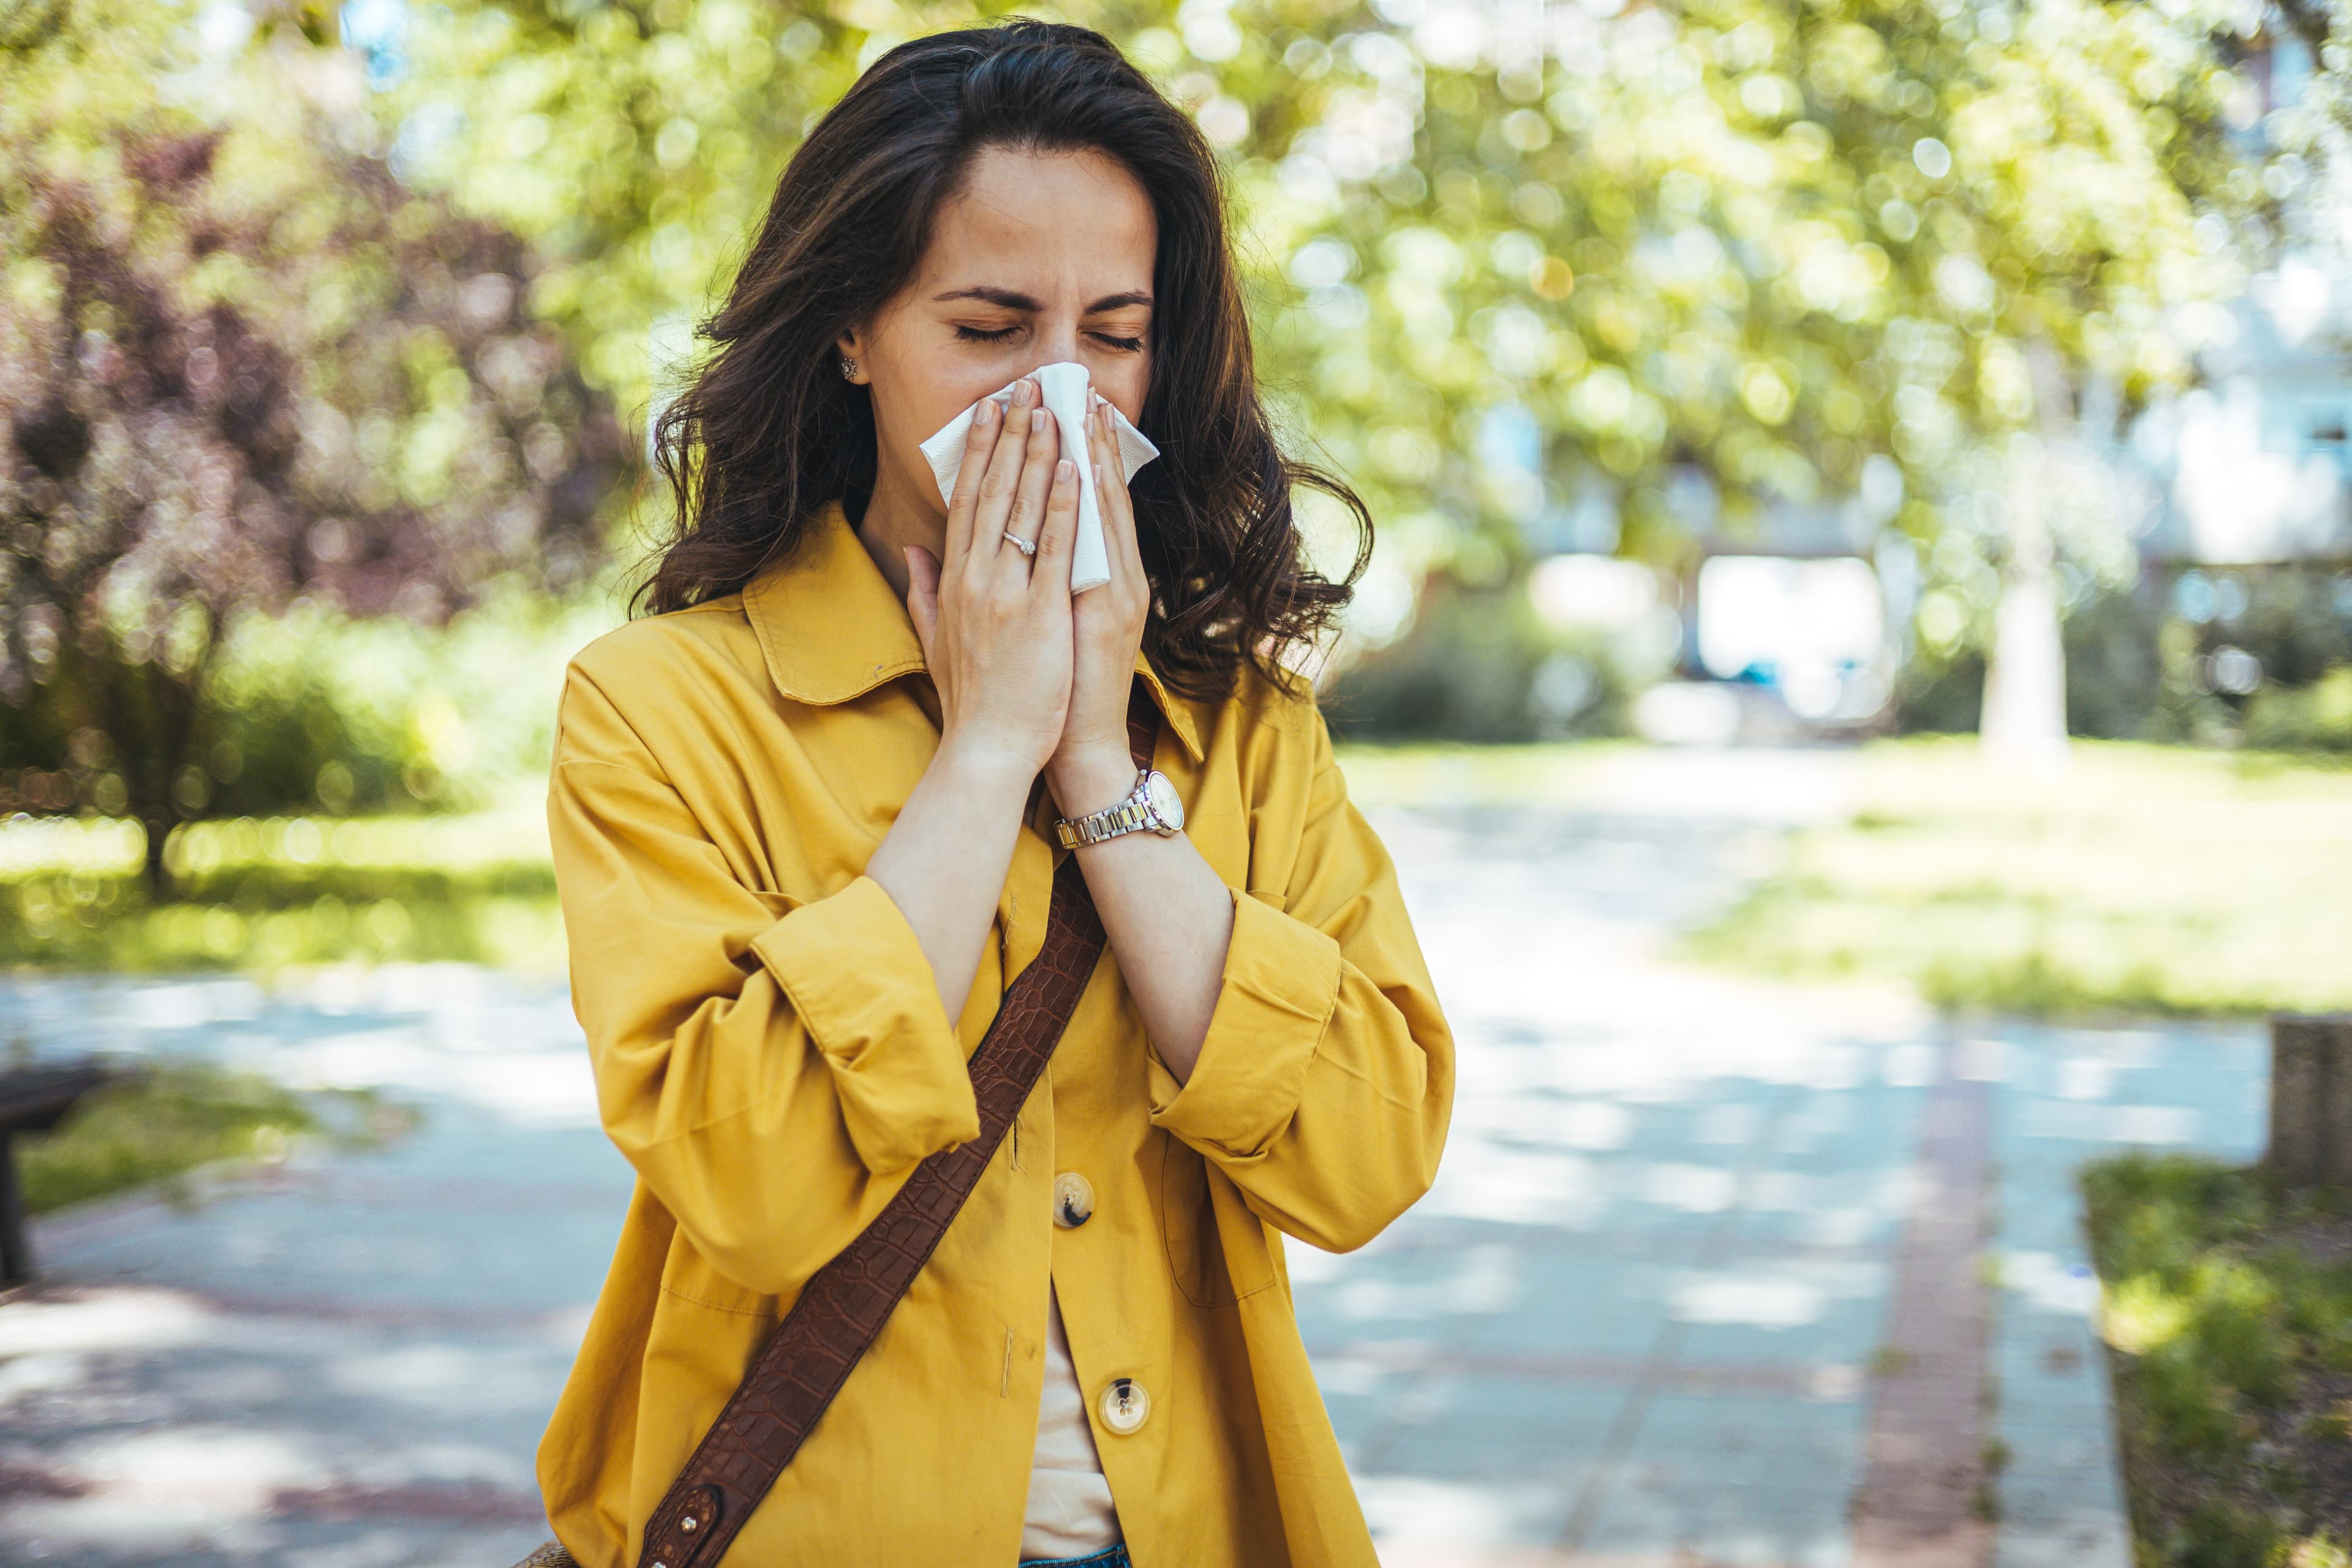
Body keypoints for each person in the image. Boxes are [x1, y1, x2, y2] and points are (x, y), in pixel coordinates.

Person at [538, 20, 1454, 1567]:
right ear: (851, 330)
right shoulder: (662, 707)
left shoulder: (1237, 725)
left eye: (1112, 332)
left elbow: (1369, 1154)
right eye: (987, 325)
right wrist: (983, 752)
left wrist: (1097, 762)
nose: (1058, 397)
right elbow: (749, 1177)